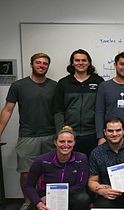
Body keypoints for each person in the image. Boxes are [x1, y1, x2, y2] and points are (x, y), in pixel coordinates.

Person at [0, 53, 57, 209]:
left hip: (51, 135)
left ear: (48, 66)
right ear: (31, 64)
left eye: (45, 63)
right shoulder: (18, 86)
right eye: (38, 62)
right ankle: (27, 201)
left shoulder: (55, 86)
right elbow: (7, 110)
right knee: (26, 173)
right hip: (27, 136)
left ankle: (47, 201)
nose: (41, 65)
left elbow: (59, 111)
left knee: (50, 171)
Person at [24, 126, 90, 210]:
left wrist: (55, 196)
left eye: (69, 141)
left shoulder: (81, 158)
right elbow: (29, 185)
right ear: (55, 142)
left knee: (83, 198)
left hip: (70, 196)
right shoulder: (41, 160)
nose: (66, 145)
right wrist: (38, 202)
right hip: (45, 197)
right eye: (62, 141)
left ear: (74, 143)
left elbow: (80, 184)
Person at [54, 49, 104, 156]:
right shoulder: (63, 83)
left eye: (84, 60)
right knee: (71, 166)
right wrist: (61, 133)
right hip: (70, 134)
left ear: (89, 63)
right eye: (77, 60)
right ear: (72, 63)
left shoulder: (98, 81)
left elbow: (102, 109)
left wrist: (101, 135)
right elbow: (58, 110)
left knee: (92, 166)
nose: (80, 63)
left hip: (92, 134)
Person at [88, 117, 124, 208]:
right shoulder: (96, 153)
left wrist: (121, 187)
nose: (114, 134)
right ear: (105, 132)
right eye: (110, 131)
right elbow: (92, 181)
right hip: (107, 195)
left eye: (118, 130)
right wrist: (102, 191)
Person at [95, 52, 124, 144]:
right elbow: (99, 112)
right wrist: (100, 136)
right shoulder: (104, 86)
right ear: (115, 65)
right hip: (110, 135)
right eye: (122, 64)